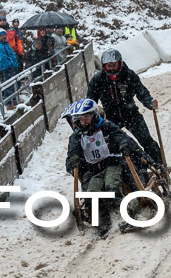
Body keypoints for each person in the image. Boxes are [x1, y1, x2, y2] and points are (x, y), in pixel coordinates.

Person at [65, 99, 155, 236]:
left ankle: (125, 216)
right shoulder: (76, 137)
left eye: (86, 118)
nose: (83, 122)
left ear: (94, 115)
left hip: (112, 164)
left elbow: (120, 137)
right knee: (92, 194)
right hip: (93, 170)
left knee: (111, 187)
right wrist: (73, 160)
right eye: (80, 119)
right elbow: (72, 153)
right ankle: (102, 224)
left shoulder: (106, 126)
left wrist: (123, 145)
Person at [86, 49, 163, 166]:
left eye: (114, 65)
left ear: (120, 63)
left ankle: (159, 166)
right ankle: (130, 168)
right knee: (115, 144)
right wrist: (91, 113)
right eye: (109, 66)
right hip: (111, 118)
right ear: (104, 66)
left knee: (147, 140)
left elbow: (141, 91)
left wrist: (148, 102)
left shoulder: (129, 75)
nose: (111, 68)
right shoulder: (98, 79)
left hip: (131, 115)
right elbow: (91, 100)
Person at [0, 29, 19, 105]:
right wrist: (9, 64)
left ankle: (15, 99)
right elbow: (1, 58)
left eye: (4, 35)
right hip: (6, 68)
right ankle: (8, 103)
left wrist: (15, 63)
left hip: (13, 67)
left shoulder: (7, 44)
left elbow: (12, 55)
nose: (3, 36)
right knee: (8, 85)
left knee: (15, 84)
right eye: (2, 35)